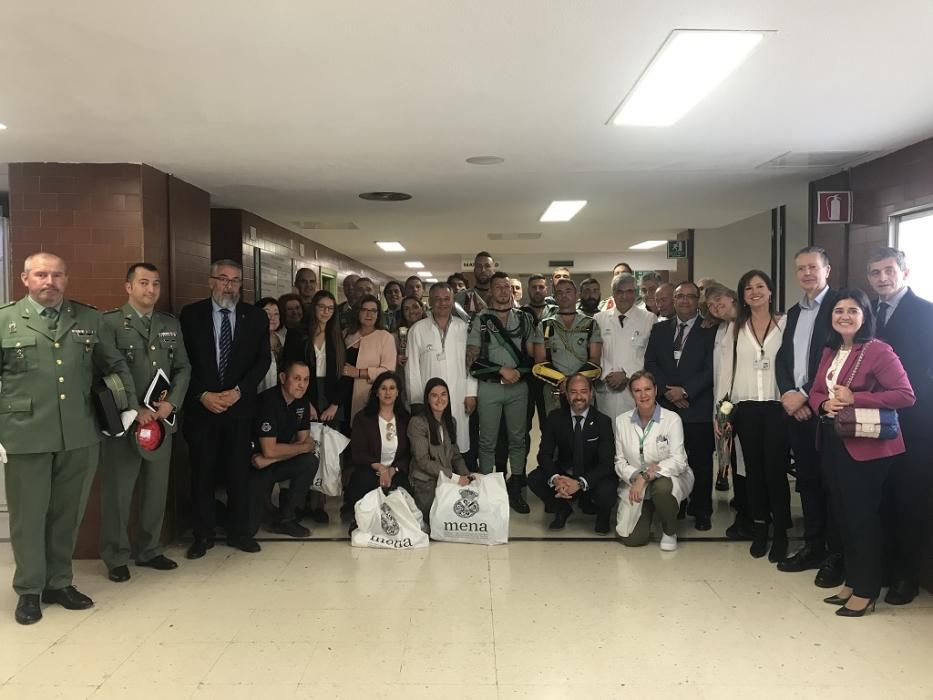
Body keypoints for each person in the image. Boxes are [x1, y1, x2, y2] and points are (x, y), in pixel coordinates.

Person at [1, 252, 138, 625]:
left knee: (67, 514)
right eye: (41, 275)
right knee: (29, 517)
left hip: (79, 433)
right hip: (24, 435)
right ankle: (29, 589)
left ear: (66, 279)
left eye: (57, 275)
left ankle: (59, 582)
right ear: (25, 278)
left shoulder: (88, 318)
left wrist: (126, 406)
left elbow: (115, 363)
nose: (50, 282)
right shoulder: (5, 320)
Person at [809, 289, 915, 617]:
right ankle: (853, 581)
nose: (844, 315)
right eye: (839, 310)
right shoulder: (831, 349)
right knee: (843, 514)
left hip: (867, 447)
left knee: (862, 518)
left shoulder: (879, 350)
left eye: (852, 310)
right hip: (832, 439)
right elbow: (815, 391)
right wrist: (824, 404)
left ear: (864, 315)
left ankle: (867, 590)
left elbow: (905, 395)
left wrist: (858, 398)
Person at [99, 262, 191, 583]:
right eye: (143, 283)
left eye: (155, 284)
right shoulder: (109, 323)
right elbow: (105, 373)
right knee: (118, 493)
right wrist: (134, 408)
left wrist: (171, 403)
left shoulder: (169, 325)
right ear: (128, 287)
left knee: (155, 490)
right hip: (125, 423)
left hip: (161, 423)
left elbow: (183, 368)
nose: (150, 290)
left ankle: (149, 549)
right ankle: (115, 556)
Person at [180, 259, 271, 559]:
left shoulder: (255, 317)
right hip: (203, 408)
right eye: (222, 279)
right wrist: (202, 394)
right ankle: (202, 534)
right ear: (210, 281)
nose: (228, 285)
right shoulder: (191, 316)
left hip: (238, 407)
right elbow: (182, 363)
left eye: (234, 280)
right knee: (202, 473)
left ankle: (239, 532)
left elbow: (262, 361)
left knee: (237, 473)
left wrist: (239, 392)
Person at [866, 247, 933, 605]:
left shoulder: (926, 313)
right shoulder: (865, 314)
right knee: (879, 498)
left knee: (908, 498)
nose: (882, 278)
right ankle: (883, 569)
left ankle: (906, 576)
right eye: (875, 273)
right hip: (869, 423)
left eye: (888, 271)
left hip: (914, 424)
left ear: (904, 273)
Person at [774, 247, 844, 586]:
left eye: (813, 267)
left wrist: (803, 395)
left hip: (827, 412)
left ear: (827, 270)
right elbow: (782, 358)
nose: (806, 273)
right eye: (800, 268)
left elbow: (832, 360)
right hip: (797, 412)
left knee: (832, 484)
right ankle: (813, 546)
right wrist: (789, 394)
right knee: (809, 482)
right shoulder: (794, 312)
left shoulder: (841, 308)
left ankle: (836, 553)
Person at [716, 270, 790, 560]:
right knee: (753, 473)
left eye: (760, 286)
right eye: (748, 288)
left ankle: (781, 532)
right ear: (742, 295)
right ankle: (760, 528)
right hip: (744, 408)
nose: (754, 292)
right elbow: (725, 374)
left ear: (770, 291)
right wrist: (721, 414)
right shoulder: (735, 328)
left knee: (775, 472)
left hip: (777, 406)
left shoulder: (785, 324)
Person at [644, 281, 716, 531]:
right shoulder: (660, 329)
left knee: (700, 462)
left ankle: (702, 509)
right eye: (679, 296)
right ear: (672, 301)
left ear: (698, 301)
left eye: (690, 296)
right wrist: (668, 391)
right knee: (671, 459)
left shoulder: (711, 330)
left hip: (697, 407)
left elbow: (712, 368)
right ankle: (679, 504)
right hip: (666, 407)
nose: (684, 301)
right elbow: (651, 362)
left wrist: (685, 391)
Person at [466, 272, 536, 511]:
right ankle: (487, 490)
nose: (504, 291)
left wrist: (520, 371)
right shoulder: (480, 320)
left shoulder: (525, 319)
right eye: (499, 287)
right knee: (487, 442)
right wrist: (501, 371)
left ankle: (515, 488)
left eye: (507, 287)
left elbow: (532, 354)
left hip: (519, 387)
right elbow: (471, 359)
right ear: (491, 291)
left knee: (518, 439)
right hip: (490, 388)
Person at [281, 289, 345, 524]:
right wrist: (303, 401)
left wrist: (334, 405)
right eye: (321, 307)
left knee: (323, 451)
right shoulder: (298, 334)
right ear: (313, 308)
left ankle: (318, 505)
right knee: (301, 447)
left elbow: (342, 375)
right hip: (302, 394)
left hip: (329, 399)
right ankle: (295, 505)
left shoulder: (337, 336)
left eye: (330, 308)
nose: (326, 312)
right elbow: (288, 369)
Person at [614, 371, 695, 550]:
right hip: (637, 483)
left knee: (662, 488)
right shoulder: (621, 422)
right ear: (631, 394)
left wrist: (646, 476)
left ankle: (669, 530)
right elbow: (619, 462)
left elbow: (679, 460)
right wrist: (637, 476)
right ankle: (649, 510)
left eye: (647, 389)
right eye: (637, 390)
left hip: (669, 478)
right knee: (633, 539)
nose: (643, 395)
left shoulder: (672, 419)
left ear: (656, 390)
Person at [528, 373, 617, 534]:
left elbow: (607, 463)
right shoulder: (555, 418)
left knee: (607, 488)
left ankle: (602, 515)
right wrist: (556, 479)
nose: (578, 397)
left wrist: (581, 483)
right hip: (566, 474)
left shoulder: (603, 421)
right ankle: (562, 509)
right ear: (567, 395)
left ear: (590, 394)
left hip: (593, 475)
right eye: (573, 392)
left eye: (583, 391)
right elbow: (544, 455)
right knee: (535, 478)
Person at [250, 360, 318, 538]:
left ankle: (287, 519)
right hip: (252, 466)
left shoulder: (302, 401)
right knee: (248, 527)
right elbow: (270, 449)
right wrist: (271, 455)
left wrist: (269, 458)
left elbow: (305, 443)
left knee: (309, 461)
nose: (301, 384)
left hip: (266, 462)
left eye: (306, 379)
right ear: (282, 378)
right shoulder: (268, 401)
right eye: (296, 378)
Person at [406, 283, 477, 453]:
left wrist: (471, 393)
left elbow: (472, 363)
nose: (442, 303)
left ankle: (459, 474)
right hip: (429, 398)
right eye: (437, 299)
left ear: (453, 300)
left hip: (459, 393)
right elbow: (412, 369)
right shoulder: (417, 330)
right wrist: (417, 400)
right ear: (429, 301)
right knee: (433, 445)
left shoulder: (464, 328)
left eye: (446, 299)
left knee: (459, 442)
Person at [706, 284, 752, 538]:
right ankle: (742, 507)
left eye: (719, 301)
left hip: (741, 404)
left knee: (744, 462)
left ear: (732, 298)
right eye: (711, 305)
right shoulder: (722, 328)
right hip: (723, 405)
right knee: (734, 460)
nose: (715, 308)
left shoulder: (747, 326)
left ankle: (749, 514)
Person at [345, 371, 412, 527]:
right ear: (376, 392)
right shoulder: (362, 418)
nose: (387, 392)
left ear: (398, 392)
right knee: (365, 481)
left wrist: (393, 469)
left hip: (396, 470)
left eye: (392, 388)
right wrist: (381, 468)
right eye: (383, 388)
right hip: (369, 469)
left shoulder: (405, 419)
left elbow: (409, 454)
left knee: (402, 496)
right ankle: (361, 522)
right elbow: (357, 454)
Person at [532, 279, 602, 415]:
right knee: (556, 432)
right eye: (559, 292)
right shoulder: (545, 326)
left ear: (577, 295)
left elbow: (595, 360)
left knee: (584, 431)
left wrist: (573, 384)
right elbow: (539, 362)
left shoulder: (590, 324)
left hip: (583, 390)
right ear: (554, 297)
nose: (564, 296)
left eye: (568, 291)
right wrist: (561, 382)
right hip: (555, 390)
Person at [594, 273, 656, 422]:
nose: (624, 296)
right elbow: (596, 352)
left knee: (633, 433)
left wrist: (627, 374)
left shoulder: (649, 319)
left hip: (634, 388)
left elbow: (650, 355)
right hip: (606, 388)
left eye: (629, 292)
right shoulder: (599, 319)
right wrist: (608, 374)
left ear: (635, 294)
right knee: (608, 434)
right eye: (619, 292)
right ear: (613, 294)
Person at [408, 378, 472, 521]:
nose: (439, 399)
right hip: (426, 482)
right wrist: (455, 478)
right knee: (435, 520)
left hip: (447, 479)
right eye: (434, 395)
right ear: (427, 399)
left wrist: (467, 476)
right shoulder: (417, 423)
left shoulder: (451, 421)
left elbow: (455, 455)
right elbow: (423, 461)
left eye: (443, 394)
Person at [343, 294, 397, 425]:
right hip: (343, 394)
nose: (369, 314)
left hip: (369, 395)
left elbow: (388, 371)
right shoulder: (346, 334)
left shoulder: (385, 337)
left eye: (374, 311)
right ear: (358, 312)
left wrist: (359, 372)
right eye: (365, 310)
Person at [455, 251, 495, 317]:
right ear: (474, 269)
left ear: (493, 270)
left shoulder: (501, 297)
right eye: (479, 266)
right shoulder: (460, 298)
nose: (483, 270)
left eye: (487, 266)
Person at [257, 297, 284, 392]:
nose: (272, 317)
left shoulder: (283, 339)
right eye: (267, 313)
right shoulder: (250, 341)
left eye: (276, 314)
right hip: (258, 395)